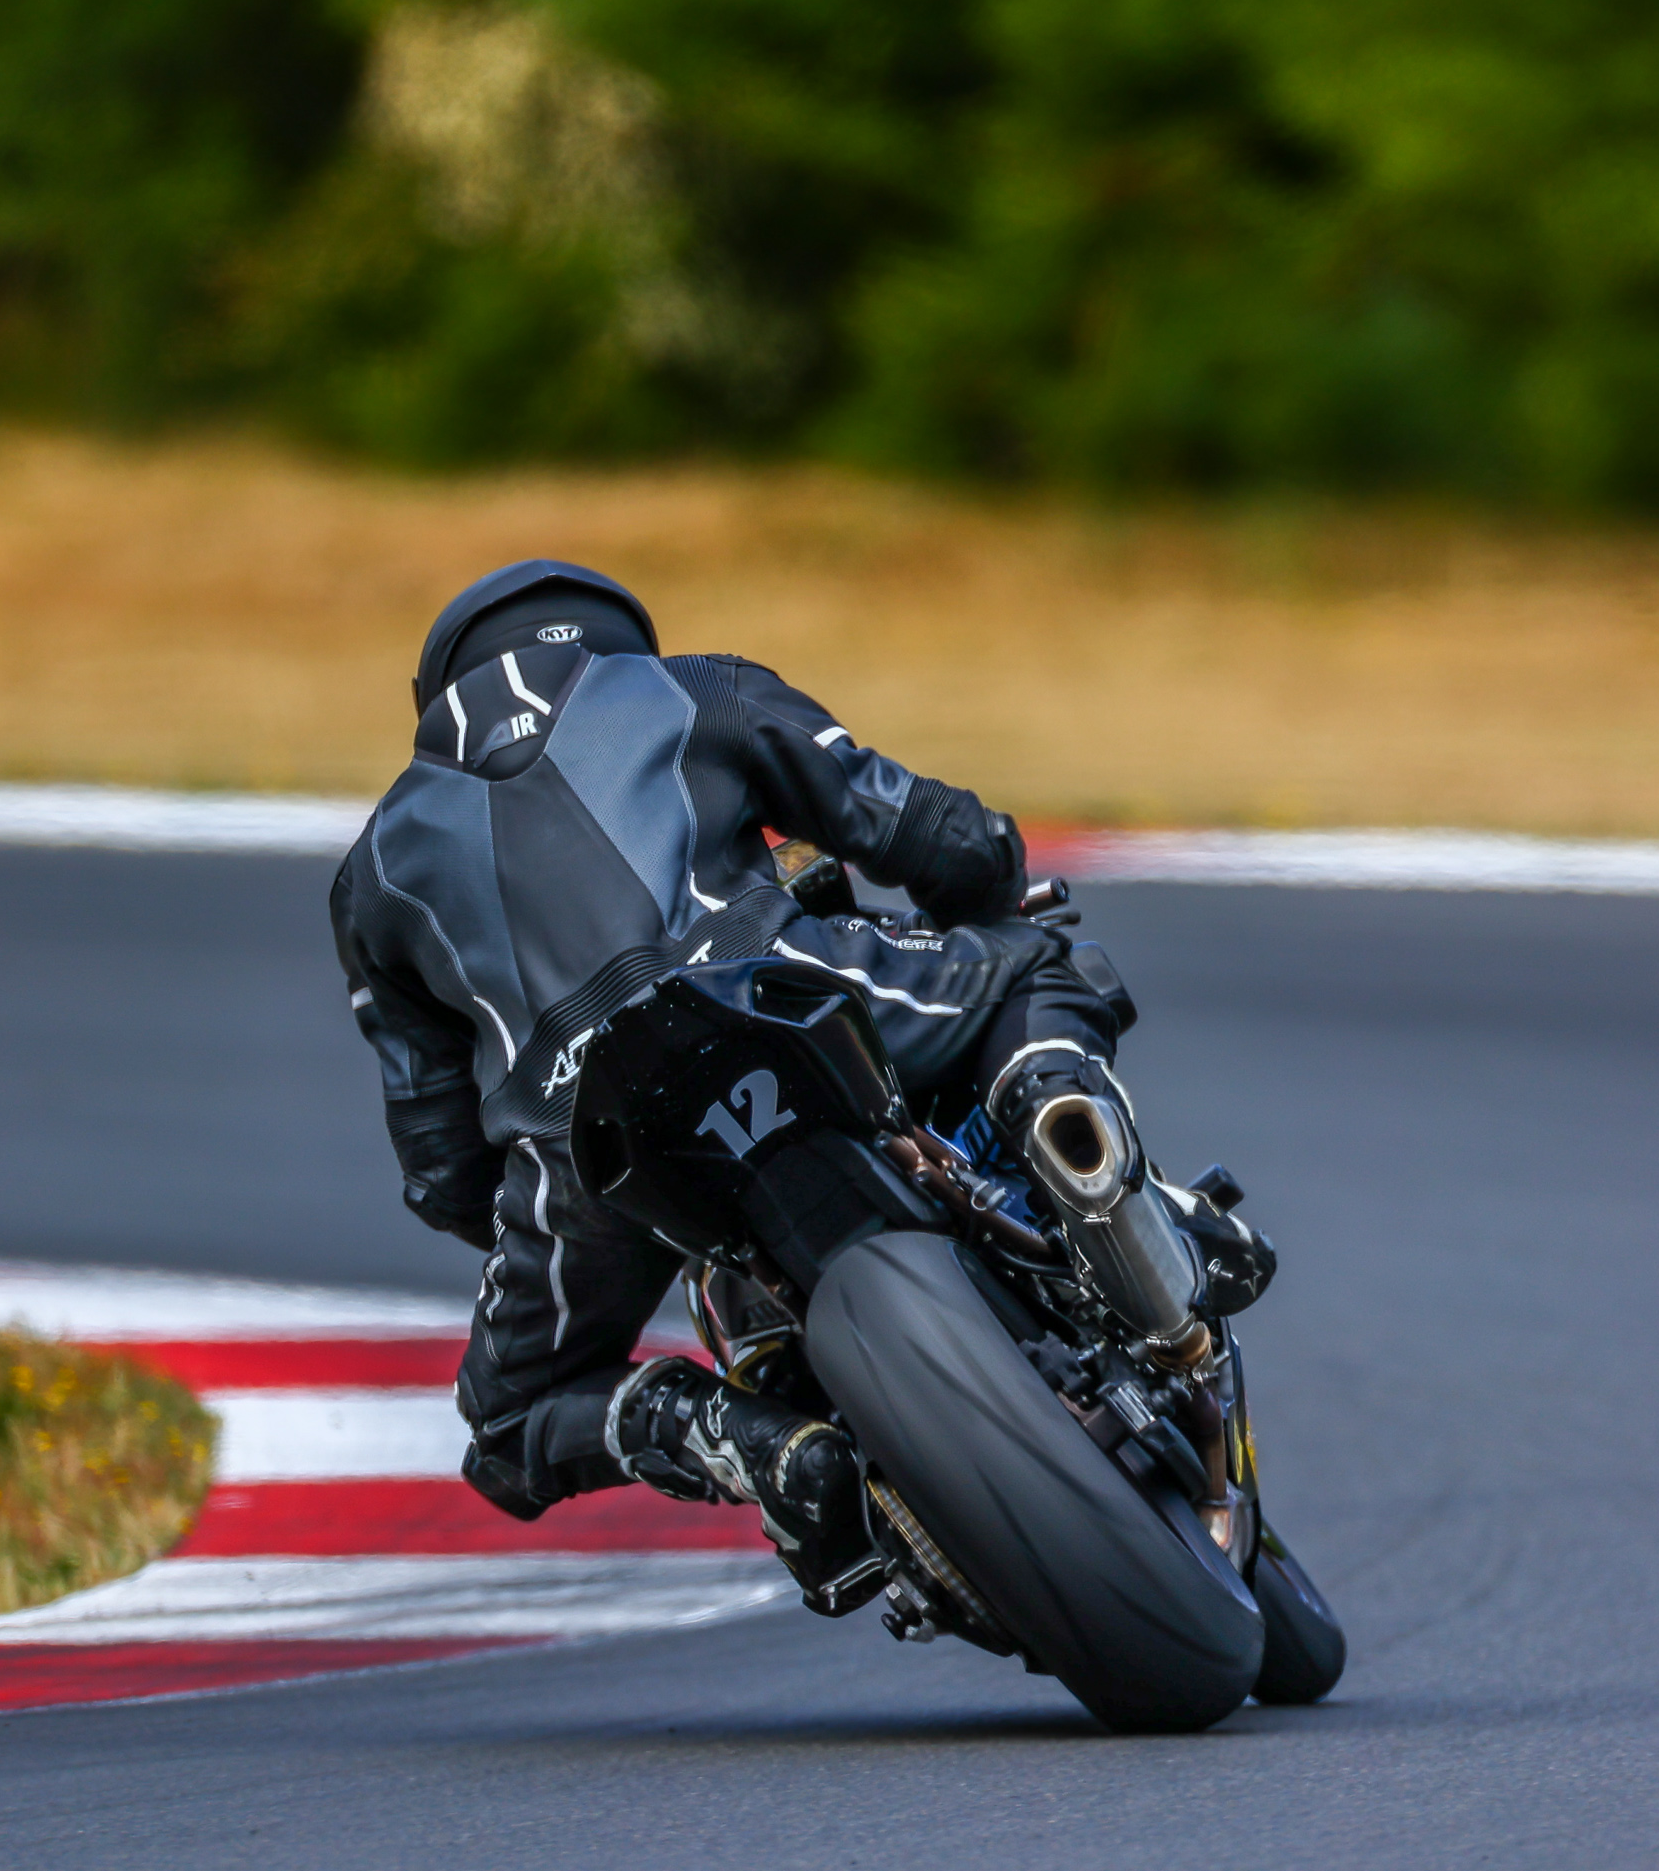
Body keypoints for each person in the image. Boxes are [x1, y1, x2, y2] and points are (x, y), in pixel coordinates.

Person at [330, 560, 1272, 1614]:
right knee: (1034, 962)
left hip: (586, 1139)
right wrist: (992, 874)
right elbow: (922, 830)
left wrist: (541, 1200)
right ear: (602, 637)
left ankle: (749, 1443)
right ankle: (1066, 1131)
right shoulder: (691, 686)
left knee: (510, 1425)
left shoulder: (373, 869)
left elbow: (443, 1167)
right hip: (784, 995)